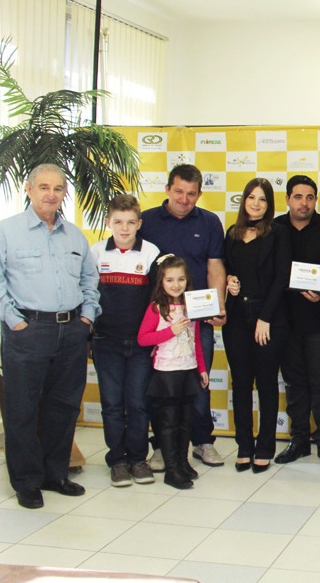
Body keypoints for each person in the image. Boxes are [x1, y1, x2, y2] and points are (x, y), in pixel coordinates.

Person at [0, 164, 100, 509]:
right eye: (44, 187)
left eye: (58, 188)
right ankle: (27, 482)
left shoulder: (75, 235)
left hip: (72, 331)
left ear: (64, 194)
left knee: (63, 407)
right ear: (29, 189)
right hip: (29, 331)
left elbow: (89, 282)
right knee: (23, 409)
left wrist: (87, 319)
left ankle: (55, 474)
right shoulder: (6, 232)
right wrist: (16, 322)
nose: (51, 194)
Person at [140, 164, 226, 469]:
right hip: (158, 317)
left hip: (197, 317)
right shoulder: (146, 221)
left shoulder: (210, 221)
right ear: (167, 189)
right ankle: (161, 446)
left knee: (198, 380)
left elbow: (215, 267)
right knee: (159, 385)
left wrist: (218, 305)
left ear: (200, 194)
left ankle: (203, 442)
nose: (184, 199)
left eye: (191, 194)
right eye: (178, 191)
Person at [273, 175, 320, 467]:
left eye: (310, 197)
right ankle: (299, 439)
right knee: (294, 384)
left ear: (316, 200)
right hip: (283, 321)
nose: (304, 203)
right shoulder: (274, 228)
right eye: (298, 197)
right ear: (288, 199)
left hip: (319, 322)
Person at [90, 193, 161, 487]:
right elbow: (88, 295)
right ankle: (117, 460)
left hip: (141, 345)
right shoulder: (96, 253)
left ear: (139, 223)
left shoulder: (151, 253)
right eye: (118, 222)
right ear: (108, 222)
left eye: (131, 222)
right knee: (111, 404)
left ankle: (138, 458)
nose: (124, 228)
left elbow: (157, 300)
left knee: (138, 403)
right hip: (106, 342)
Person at [222, 178, 292, 474]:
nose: (256, 203)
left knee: (265, 382)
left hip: (269, 317)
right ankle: (244, 445)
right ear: (244, 200)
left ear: (270, 204)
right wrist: (229, 280)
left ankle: (265, 446)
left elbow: (281, 278)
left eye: (262, 199)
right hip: (237, 316)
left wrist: (265, 318)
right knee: (240, 384)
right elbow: (225, 268)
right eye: (251, 197)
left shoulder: (278, 233)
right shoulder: (232, 233)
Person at [137, 255, 209, 489]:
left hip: (188, 371)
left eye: (180, 279)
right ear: (162, 282)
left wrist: (202, 368)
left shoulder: (191, 307)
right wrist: (170, 331)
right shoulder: (156, 308)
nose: (175, 285)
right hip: (167, 372)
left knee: (186, 420)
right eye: (170, 280)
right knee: (168, 422)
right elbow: (143, 338)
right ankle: (171, 469)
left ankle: (182, 460)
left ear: (187, 281)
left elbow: (196, 339)